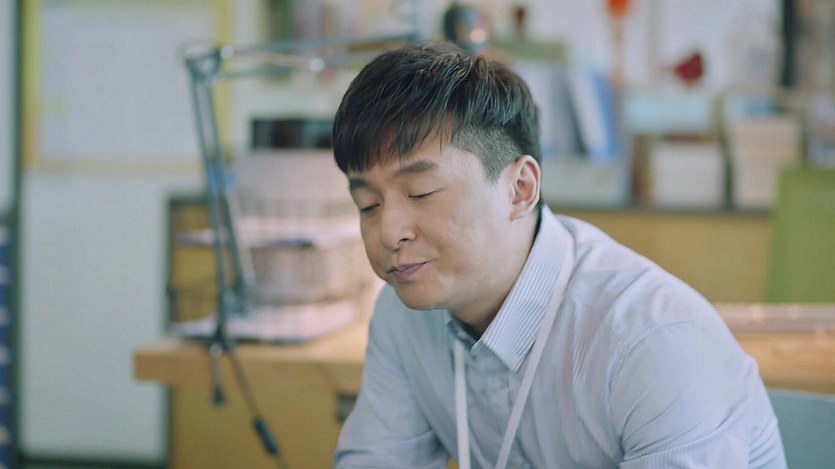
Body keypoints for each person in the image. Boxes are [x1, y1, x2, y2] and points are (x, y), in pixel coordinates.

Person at [331, 41, 786, 469]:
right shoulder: (404, 315)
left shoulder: (652, 340)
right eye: (368, 204)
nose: (388, 232)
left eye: (420, 192)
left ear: (520, 189)